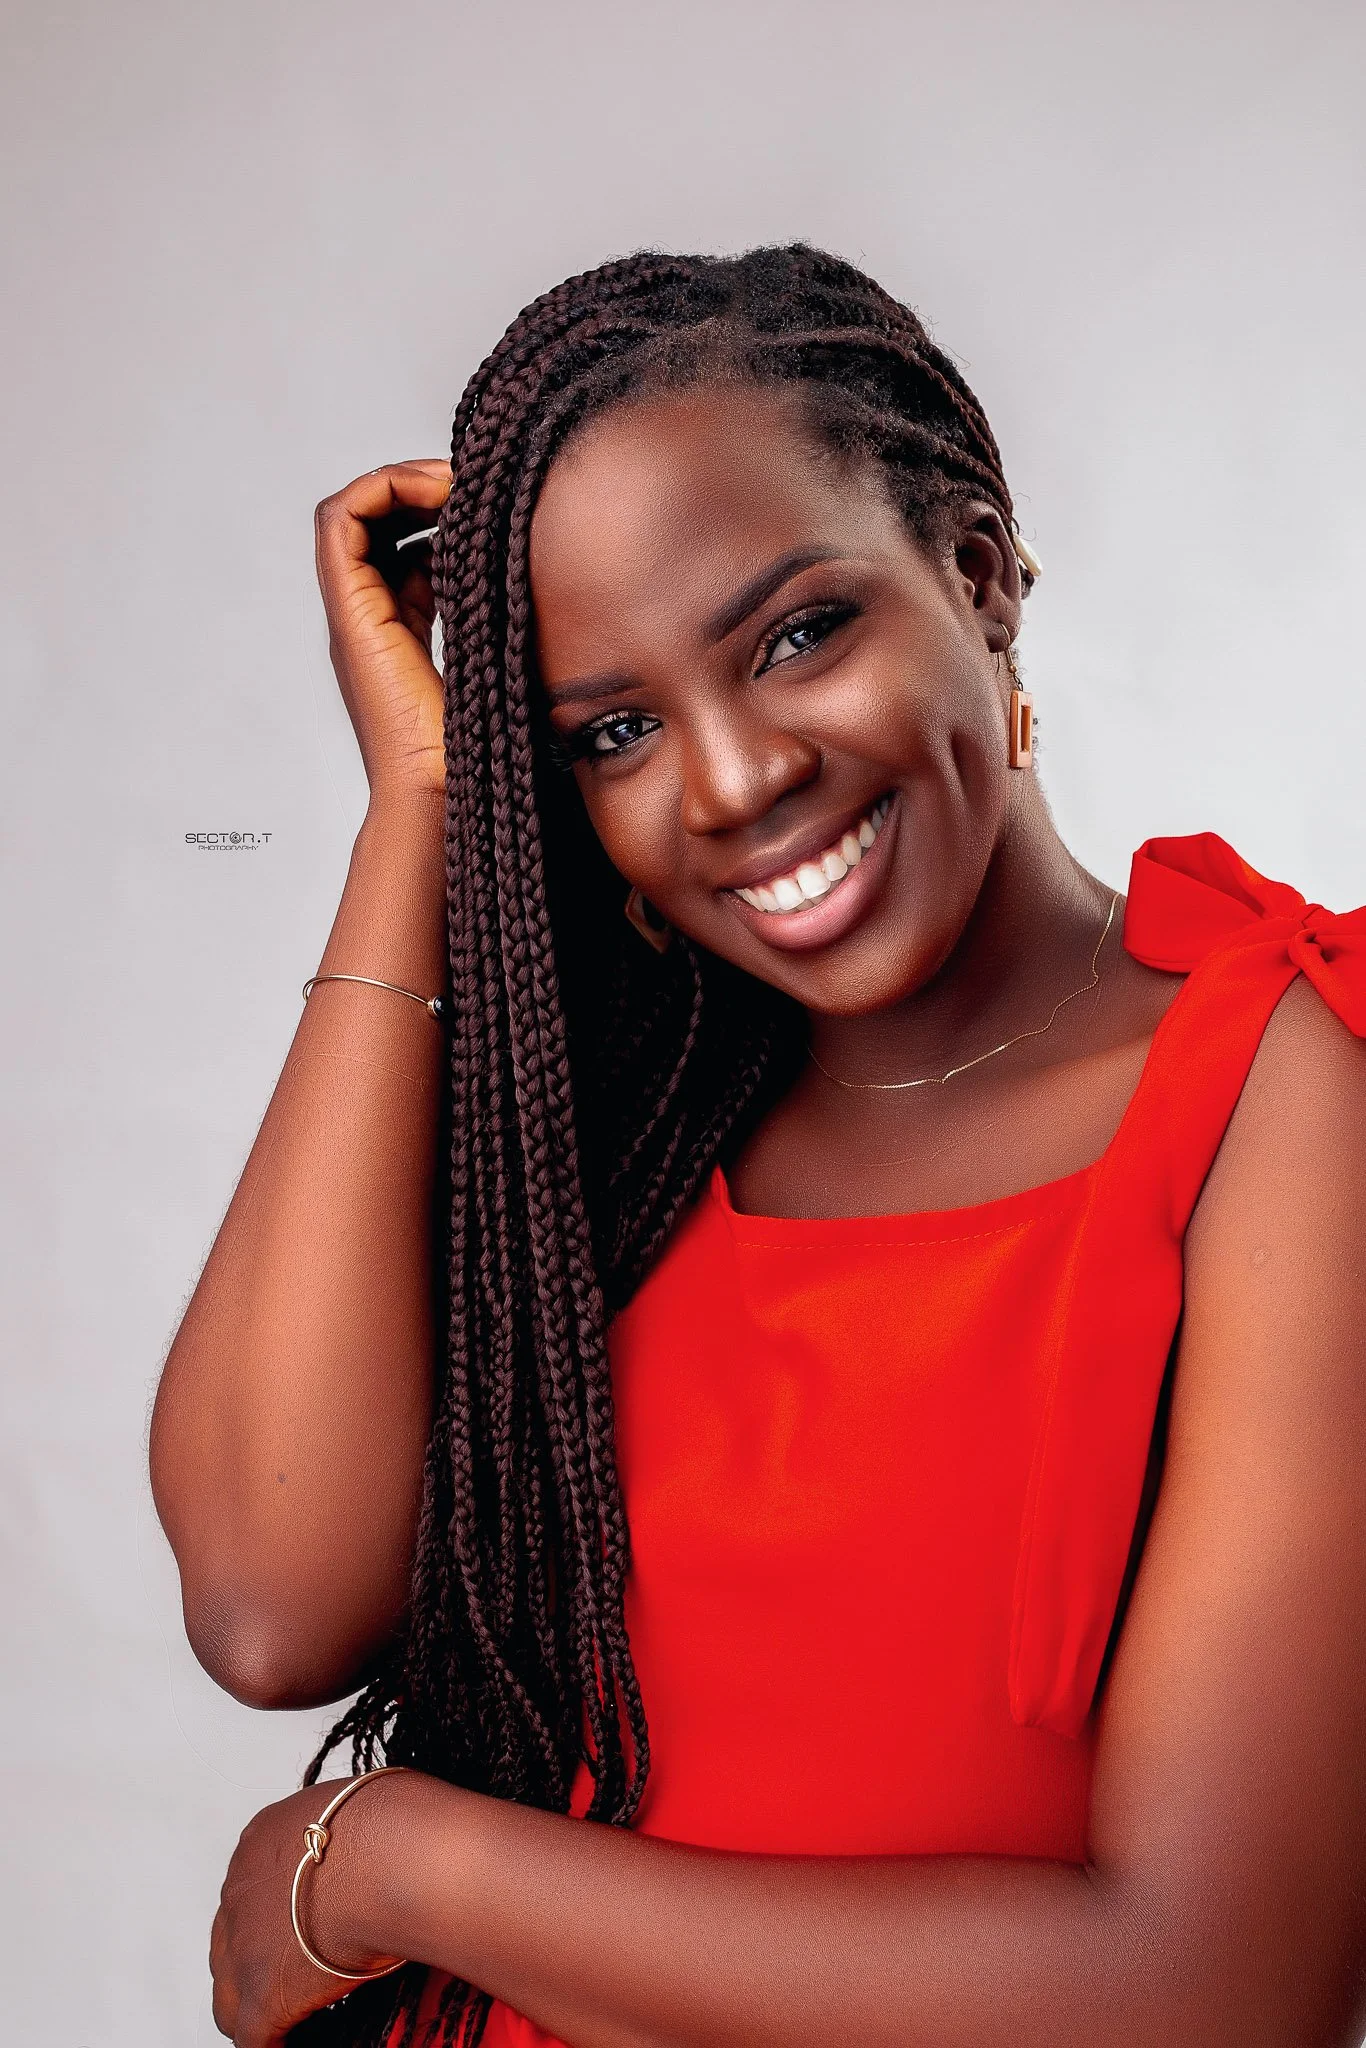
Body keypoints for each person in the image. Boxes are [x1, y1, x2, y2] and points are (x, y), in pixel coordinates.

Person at [149, 246, 1366, 2048]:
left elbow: (1205, 1994)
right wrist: (424, 810)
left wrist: (401, 1864)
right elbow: (270, 1606)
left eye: (797, 634)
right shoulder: (648, 1104)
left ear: (973, 575)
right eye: (613, 734)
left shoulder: (1286, 1092)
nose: (728, 784)